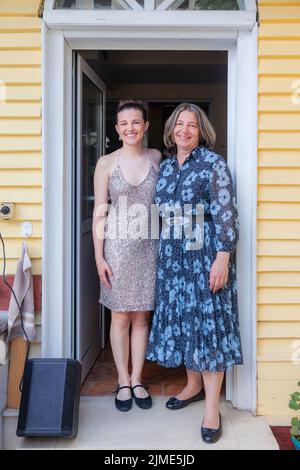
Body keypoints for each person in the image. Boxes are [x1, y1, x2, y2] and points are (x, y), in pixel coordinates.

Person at [146, 103, 243, 443]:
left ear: (202, 132)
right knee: (185, 322)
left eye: (192, 126)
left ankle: (212, 408)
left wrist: (223, 256)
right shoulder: (167, 166)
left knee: (208, 326)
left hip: (204, 256)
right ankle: (192, 386)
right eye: (179, 125)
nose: (184, 130)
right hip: (173, 257)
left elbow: (226, 213)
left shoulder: (213, 164)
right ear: (171, 129)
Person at [92, 100, 161, 411]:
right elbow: (99, 212)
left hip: (150, 247)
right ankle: (122, 380)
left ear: (145, 126)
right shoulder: (106, 163)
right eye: (124, 123)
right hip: (117, 249)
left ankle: (136, 378)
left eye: (136, 122)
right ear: (117, 129)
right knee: (120, 315)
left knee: (143, 316)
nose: (130, 128)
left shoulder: (157, 157)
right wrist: (99, 259)